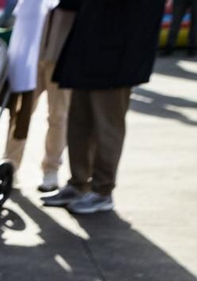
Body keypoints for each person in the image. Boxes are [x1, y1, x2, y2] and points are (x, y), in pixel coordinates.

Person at [42, 0, 164, 216]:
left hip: (118, 54)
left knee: (107, 126)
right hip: (87, 46)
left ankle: (102, 190)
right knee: (79, 124)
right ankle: (78, 183)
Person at [0, 0, 73, 195]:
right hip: (30, 50)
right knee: (20, 112)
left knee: (58, 116)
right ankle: (10, 164)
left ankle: (51, 169)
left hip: (61, 50)